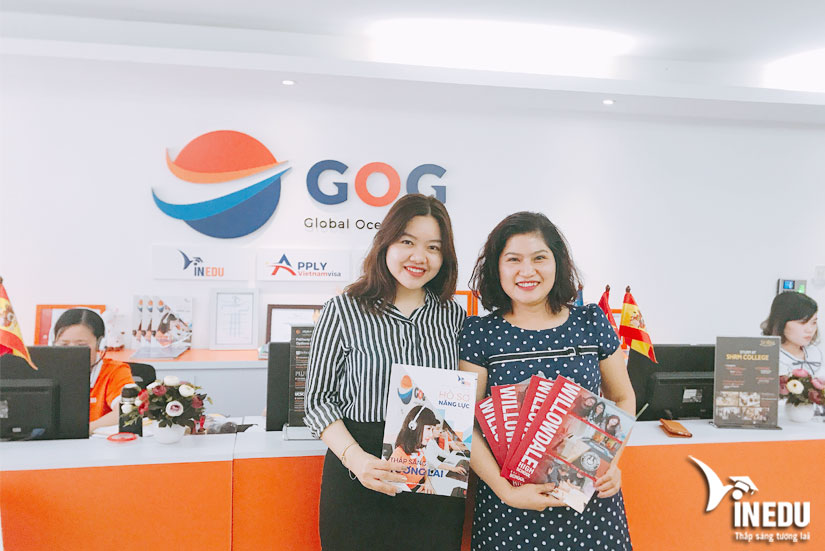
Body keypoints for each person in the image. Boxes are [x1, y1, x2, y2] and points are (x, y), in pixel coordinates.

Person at [459, 211, 635, 551]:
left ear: (558, 263)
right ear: (496, 268)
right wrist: (506, 492)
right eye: (513, 259)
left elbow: (623, 397)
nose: (527, 271)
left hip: (590, 502)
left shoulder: (591, 321)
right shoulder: (480, 333)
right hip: (511, 507)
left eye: (539, 258)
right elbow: (465, 422)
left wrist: (611, 460)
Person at [304, 194, 465, 551]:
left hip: (435, 478)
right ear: (385, 242)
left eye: (433, 247)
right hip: (360, 472)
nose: (419, 257)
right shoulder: (343, 310)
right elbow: (316, 402)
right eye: (407, 242)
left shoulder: (453, 316)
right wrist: (355, 459)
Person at [52, 308, 135, 435]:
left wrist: (84, 430)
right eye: (64, 345)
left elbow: (128, 410)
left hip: (99, 443)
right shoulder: (44, 371)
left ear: (99, 344)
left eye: (81, 345)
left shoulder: (115, 371)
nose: (71, 352)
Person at [762, 292, 822, 378]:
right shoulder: (768, 359)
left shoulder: (816, 353)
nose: (810, 330)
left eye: (813, 322)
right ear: (781, 323)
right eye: (802, 323)